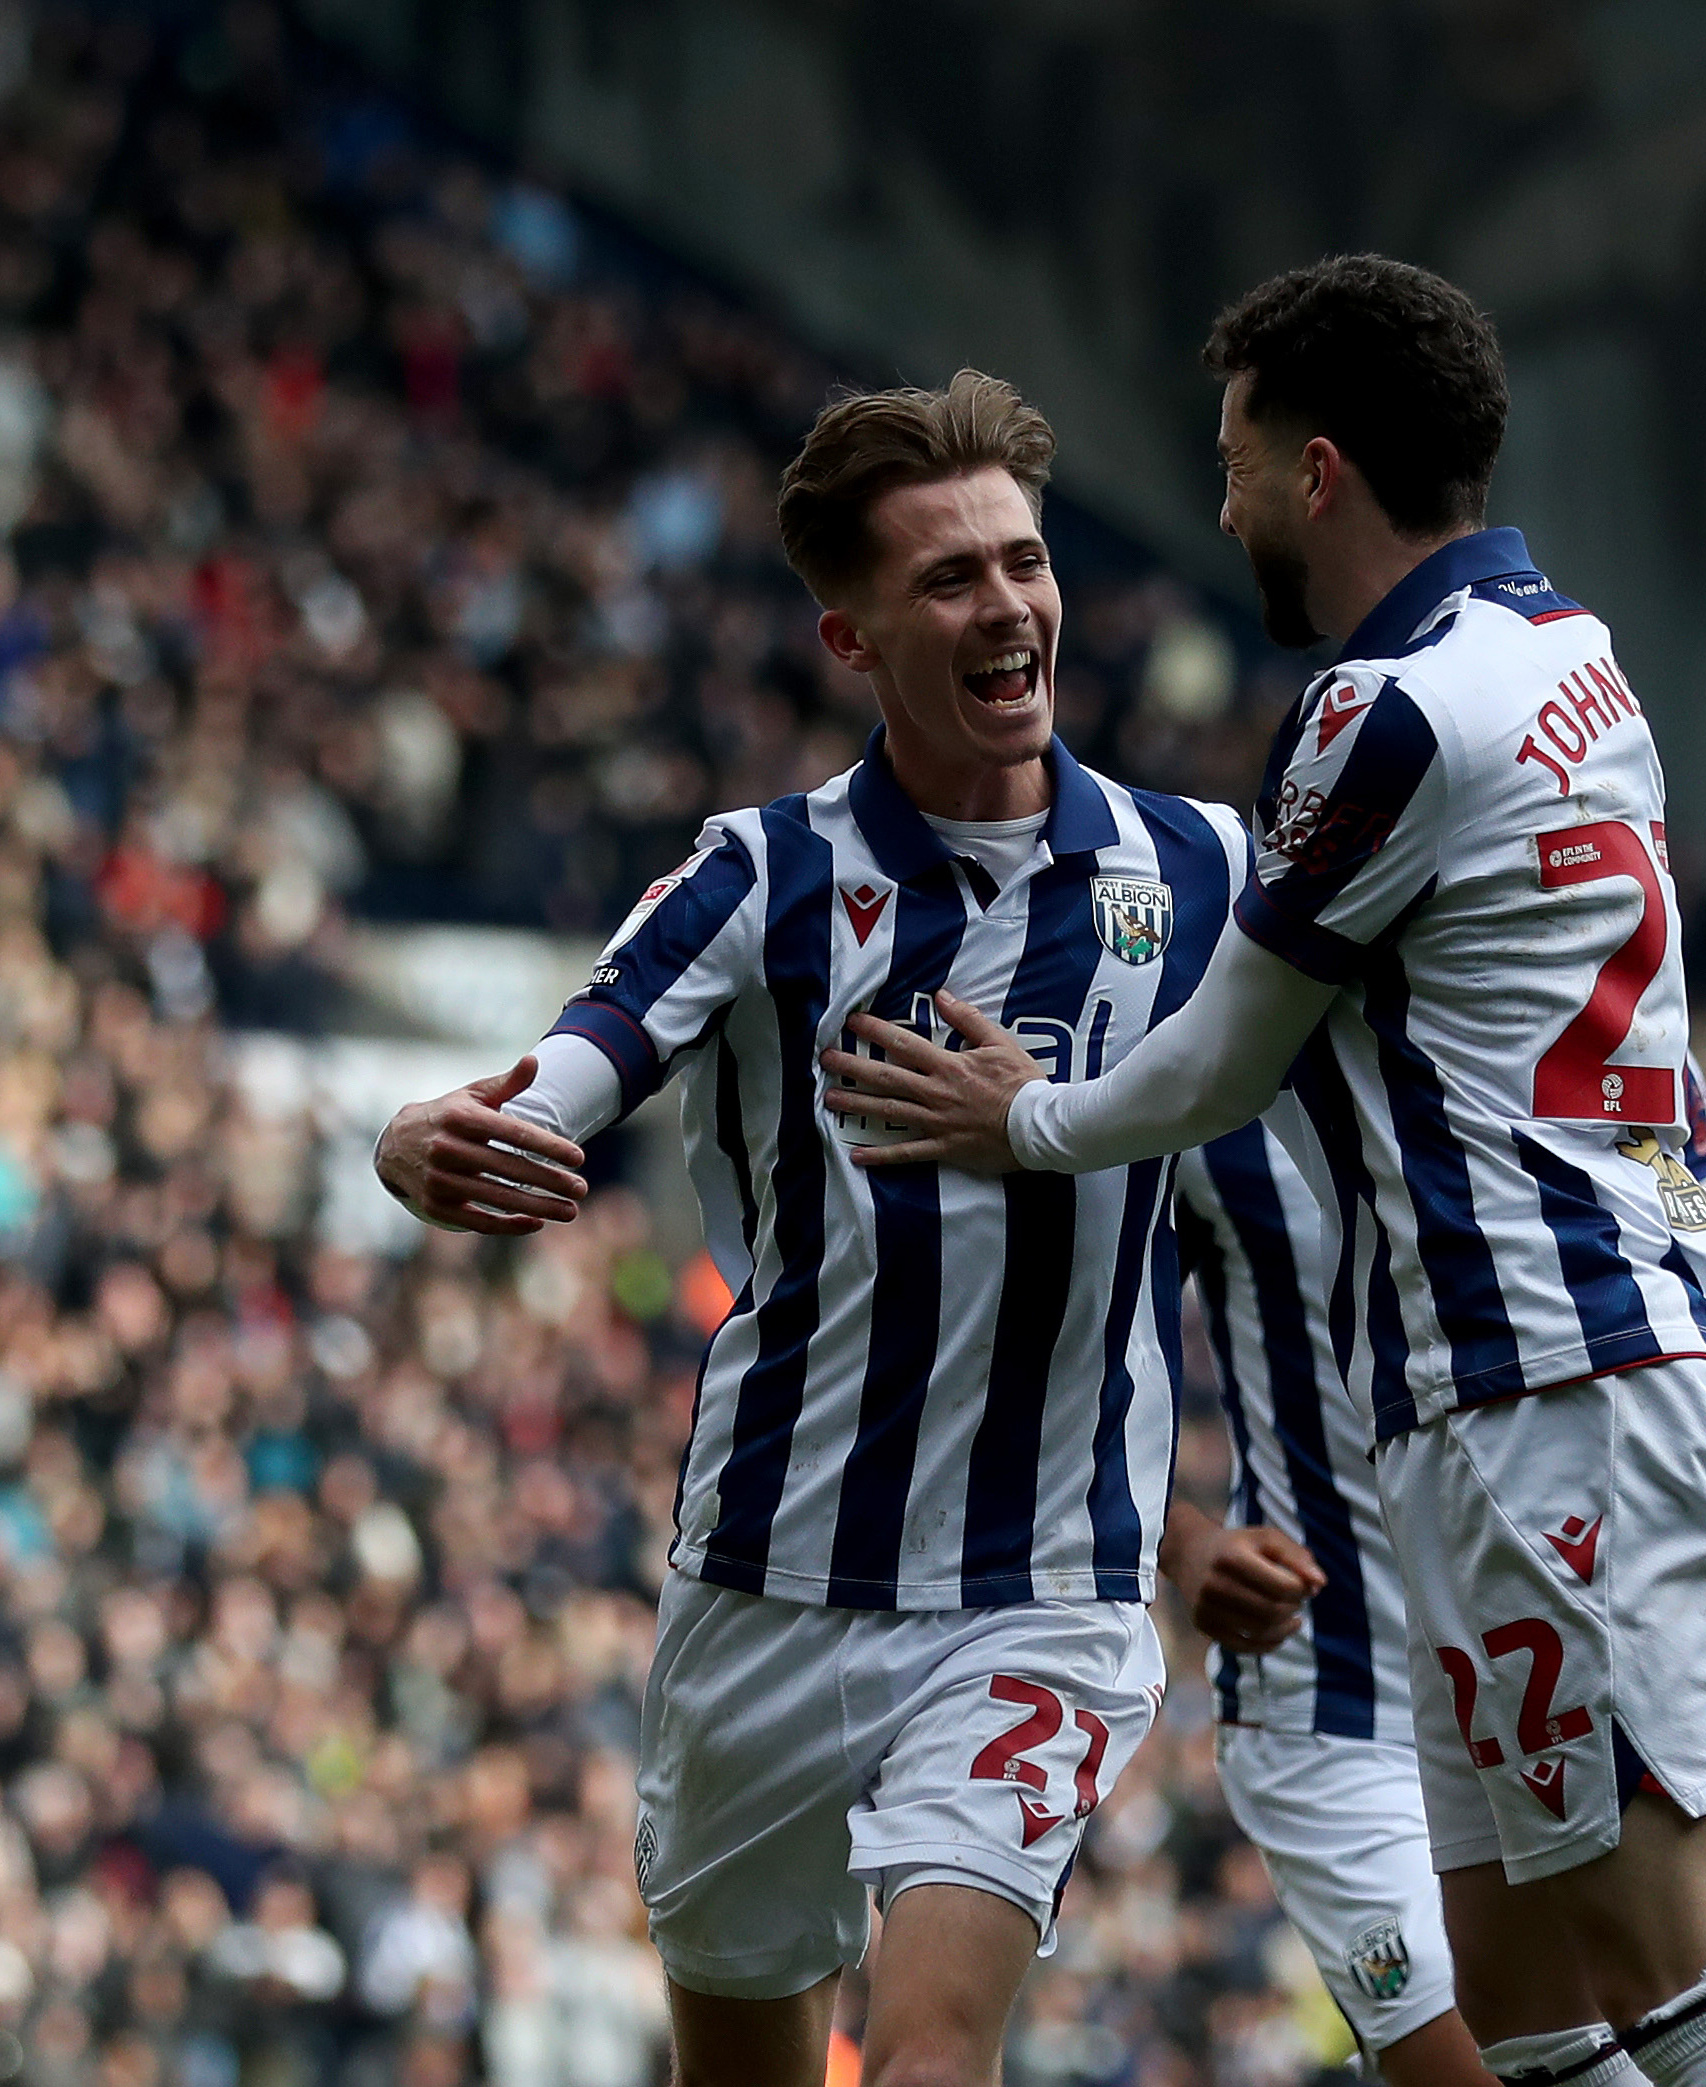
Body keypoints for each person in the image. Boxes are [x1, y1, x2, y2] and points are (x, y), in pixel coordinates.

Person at [833, 256, 1706, 2087]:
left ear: (1315, 471)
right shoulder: (1571, 659)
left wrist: (1023, 1115)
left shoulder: (1383, 712)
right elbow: (1644, 1078)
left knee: (1679, 1971)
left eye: (1231, 457)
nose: (1219, 498)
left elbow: (1227, 1051)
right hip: (1548, 1391)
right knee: (1527, 1995)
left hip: (1549, 1393)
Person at [372, 373, 1253, 2087]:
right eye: (949, 579)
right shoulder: (762, 873)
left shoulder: (1201, 872)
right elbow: (566, 1063)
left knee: (925, 2062)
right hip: (768, 1578)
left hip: (1040, 1584)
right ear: (852, 640)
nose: (1007, 605)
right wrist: (430, 1137)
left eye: (1023, 561)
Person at [1164, 1066, 1706, 2085]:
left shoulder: (1569, 993)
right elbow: (1079, 1342)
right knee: (1493, 2053)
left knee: (1654, 2016)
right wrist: (1181, 1536)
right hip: (1331, 1686)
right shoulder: (1210, 1026)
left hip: (1553, 1632)